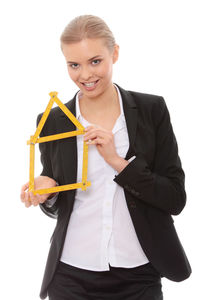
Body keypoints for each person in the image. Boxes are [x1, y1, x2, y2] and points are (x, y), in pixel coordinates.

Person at [21, 15, 191, 300]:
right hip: (70, 273)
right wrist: (47, 191)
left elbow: (175, 199)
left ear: (115, 53)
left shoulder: (152, 110)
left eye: (95, 61)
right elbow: (58, 206)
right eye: (74, 65)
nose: (85, 75)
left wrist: (118, 162)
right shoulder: (52, 122)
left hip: (139, 274)